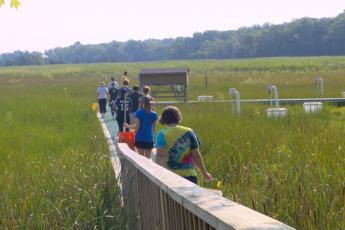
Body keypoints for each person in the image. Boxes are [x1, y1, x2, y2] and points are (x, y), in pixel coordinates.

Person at [155, 106, 212, 184]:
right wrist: (204, 174)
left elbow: (160, 156)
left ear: (163, 119)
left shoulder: (162, 134)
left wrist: (157, 173)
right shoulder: (189, 132)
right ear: (178, 117)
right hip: (190, 176)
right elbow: (196, 155)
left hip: (170, 176)